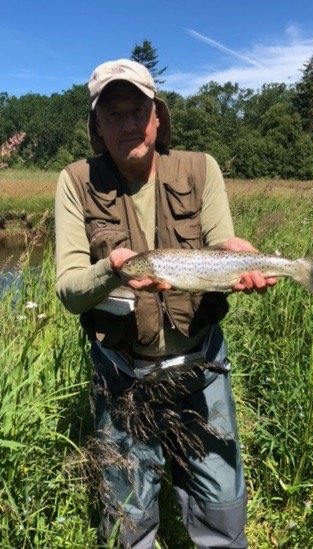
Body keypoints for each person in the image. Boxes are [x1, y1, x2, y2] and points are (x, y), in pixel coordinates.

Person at [55, 58, 276, 548]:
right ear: (97, 125)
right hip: (122, 373)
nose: (129, 123)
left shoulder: (201, 169)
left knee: (221, 500)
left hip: (202, 366)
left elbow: (223, 244)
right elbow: (69, 289)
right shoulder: (74, 182)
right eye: (113, 113)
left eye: (138, 109)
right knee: (127, 517)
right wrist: (112, 268)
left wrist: (239, 257)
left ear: (158, 116)